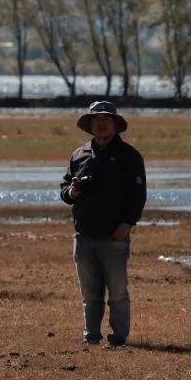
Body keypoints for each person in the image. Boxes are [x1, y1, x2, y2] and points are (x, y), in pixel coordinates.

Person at [60, 101, 147, 346]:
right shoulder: (79, 155)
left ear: (115, 125)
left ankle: (119, 337)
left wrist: (127, 224)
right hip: (84, 235)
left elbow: (138, 196)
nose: (101, 123)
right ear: (90, 124)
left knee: (118, 293)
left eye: (106, 119)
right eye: (96, 119)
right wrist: (71, 193)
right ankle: (91, 335)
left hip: (114, 236)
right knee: (89, 293)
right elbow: (64, 189)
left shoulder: (129, 156)